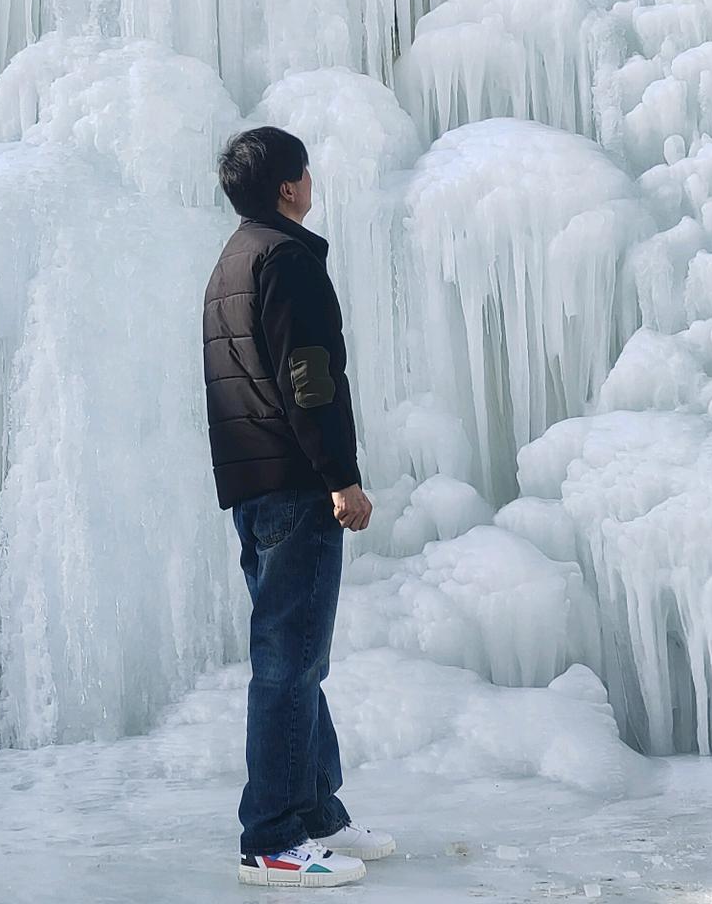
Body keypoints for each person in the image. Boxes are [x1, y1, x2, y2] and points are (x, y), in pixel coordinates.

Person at [202, 126, 395, 888]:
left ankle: (317, 812)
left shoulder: (231, 263)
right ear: (288, 186)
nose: (311, 180)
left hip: (253, 484)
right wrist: (339, 476)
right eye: (305, 170)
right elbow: (308, 375)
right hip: (294, 481)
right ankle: (273, 836)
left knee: (299, 657)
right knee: (288, 663)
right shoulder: (286, 257)